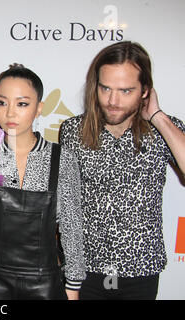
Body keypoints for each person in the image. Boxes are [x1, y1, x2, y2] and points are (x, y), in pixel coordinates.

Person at [59, 41, 185, 300]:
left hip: (142, 270)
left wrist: (158, 117)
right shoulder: (73, 131)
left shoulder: (164, 130)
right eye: (105, 88)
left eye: (126, 91)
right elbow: (65, 203)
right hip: (86, 270)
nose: (112, 101)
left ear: (145, 91)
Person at [0, 64, 86, 300]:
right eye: (2, 102)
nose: (10, 113)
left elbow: (72, 229)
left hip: (46, 285)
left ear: (39, 109)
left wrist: (73, 287)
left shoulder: (61, 160)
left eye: (22, 104)